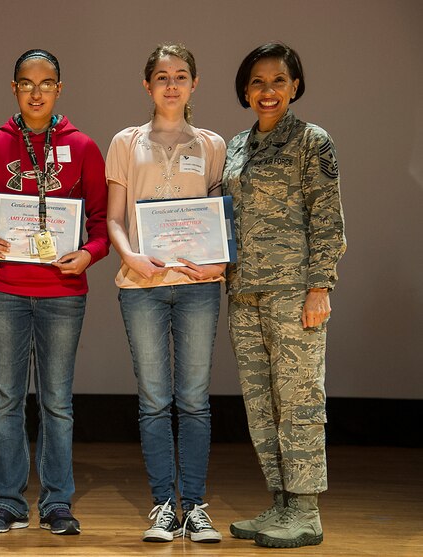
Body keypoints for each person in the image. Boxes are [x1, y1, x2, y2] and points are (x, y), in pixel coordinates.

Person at [0, 49, 109, 536]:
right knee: (6, 398)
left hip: (62, 289)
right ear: (13, 88)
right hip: (3, 286)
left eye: (46, 83)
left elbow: (101, 225)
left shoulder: (84, 146)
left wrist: (88, 253)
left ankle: (56, 502)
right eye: (26, 83)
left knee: (57, 400)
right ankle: (7, 500)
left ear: (59, 89)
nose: (36, 91)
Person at [222, 42, 346, 549]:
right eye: (257, 81)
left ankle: (306, 511)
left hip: (295, 292)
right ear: (244, 89)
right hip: (244, 292)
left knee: (298, 401)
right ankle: (280, 502)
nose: (267, 91)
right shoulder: (236, 146)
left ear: (295, 86)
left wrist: (320, 286)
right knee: (261, 402)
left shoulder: (312, 142)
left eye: (278, 81)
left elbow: (328, 218)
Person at [105, 44, 225, 544]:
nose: (171, 84)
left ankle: (194, 505)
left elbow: (221, 217)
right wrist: (129, 256)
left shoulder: (214, 144)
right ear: (147, 85)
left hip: (198, 286)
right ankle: (162, 506)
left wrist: (220, 261)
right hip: (142, 285)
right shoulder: (125, 142)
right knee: (154, 400)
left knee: (194, 400)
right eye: (161, 76)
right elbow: (112, 217)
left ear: (195, 83)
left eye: (180, 76)